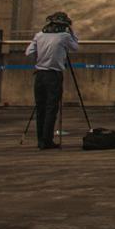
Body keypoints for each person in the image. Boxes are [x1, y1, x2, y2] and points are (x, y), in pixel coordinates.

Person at [25, 11, 79, 149]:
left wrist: (40, 59)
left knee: (40, 108)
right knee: (51, 108)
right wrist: (72, 33)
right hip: (54, 75)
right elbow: (75, 47)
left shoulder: (39, 35)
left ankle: (40, 140)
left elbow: (29, 52)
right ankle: (47, 140)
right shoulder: (65, 36)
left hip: (39, 74)